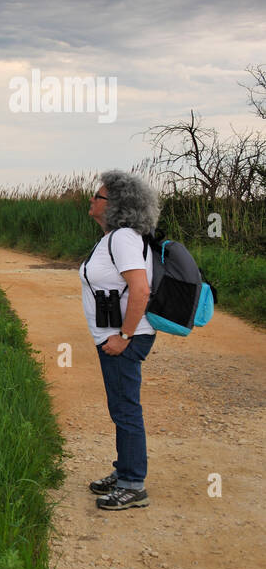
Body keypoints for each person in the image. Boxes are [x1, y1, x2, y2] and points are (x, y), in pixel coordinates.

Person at [79, 170, 161, 510]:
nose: (92, 199)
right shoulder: (111, 237)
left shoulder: (124, 238)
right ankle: (124, 469)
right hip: (113, 336)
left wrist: (124, 336)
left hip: (126, 337)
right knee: (120, 407)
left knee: (126, 409)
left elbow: (140, 290)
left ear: (116, 205)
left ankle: (132, 484)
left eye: (98, 196)